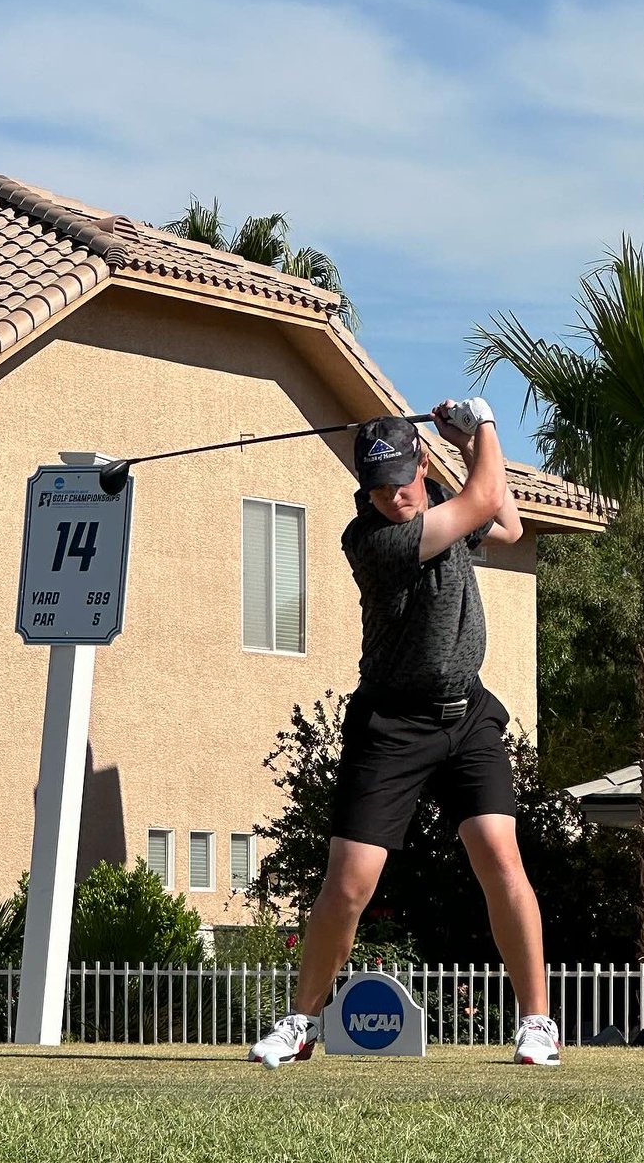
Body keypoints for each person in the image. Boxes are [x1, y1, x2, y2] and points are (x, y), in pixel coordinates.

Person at [249, 397, 561, 1068]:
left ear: (421, 464)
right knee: (349, 884)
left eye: (402, 482)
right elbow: (485, 501)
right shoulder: (373, 540)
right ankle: (302, 1022)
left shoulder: (442, 502)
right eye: (379, 487)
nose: (393, 497)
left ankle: (538, 1025)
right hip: (391, 724)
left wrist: (465, 450)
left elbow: (506, 522)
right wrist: (483, 424)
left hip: (467, 716)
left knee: (500, 855)